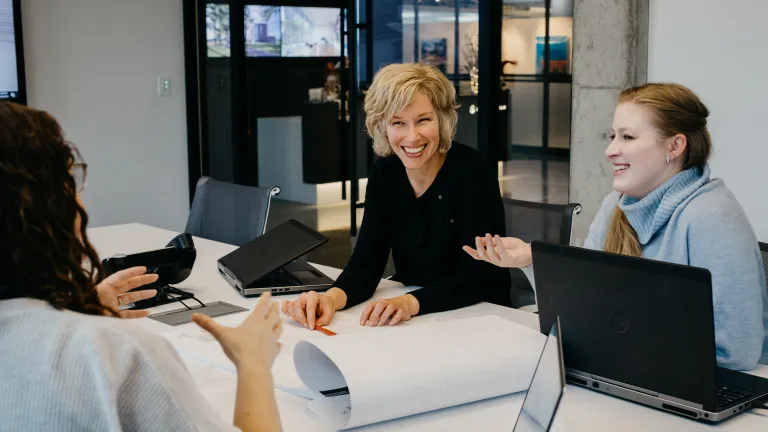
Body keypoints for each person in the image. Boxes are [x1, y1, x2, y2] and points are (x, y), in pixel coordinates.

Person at [0, 102, 282, 431]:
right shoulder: (113, 352)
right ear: (46, 210)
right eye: (71, 182)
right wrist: (253, 363)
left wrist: (80, 309)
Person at [464, 83, 768, 371]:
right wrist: (532, 259)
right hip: (628, 374)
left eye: (628, 137)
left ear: (675, 146)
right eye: (612, 136)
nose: (610, 150)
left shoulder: (712, 217)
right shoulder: (616, 204)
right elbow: (580, 308)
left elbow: (735, 354)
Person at [282, 63, 511, 329]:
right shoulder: (386, 173)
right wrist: (330, 299)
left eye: (423, 120)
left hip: (482, 318)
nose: (412, 137)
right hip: (420, 316)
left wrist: (408, 303)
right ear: (382, 127)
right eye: (398, 123)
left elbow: (480, 275)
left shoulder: (471, 170)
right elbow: (367, 262)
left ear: (442, 119)